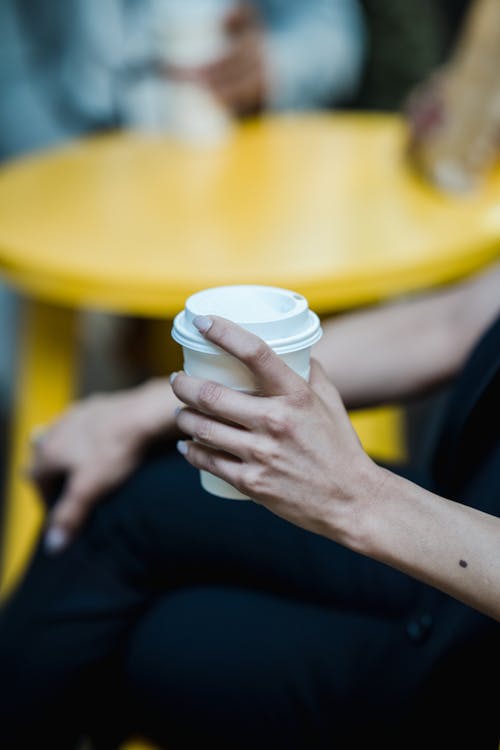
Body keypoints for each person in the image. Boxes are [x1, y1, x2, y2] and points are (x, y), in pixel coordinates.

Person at [0, 260, 499, 750]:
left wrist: (358, 498)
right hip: (459, 521)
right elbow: (453, 322)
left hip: (473, 677)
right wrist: (146, 409)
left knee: (137, 646)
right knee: (125, 503)